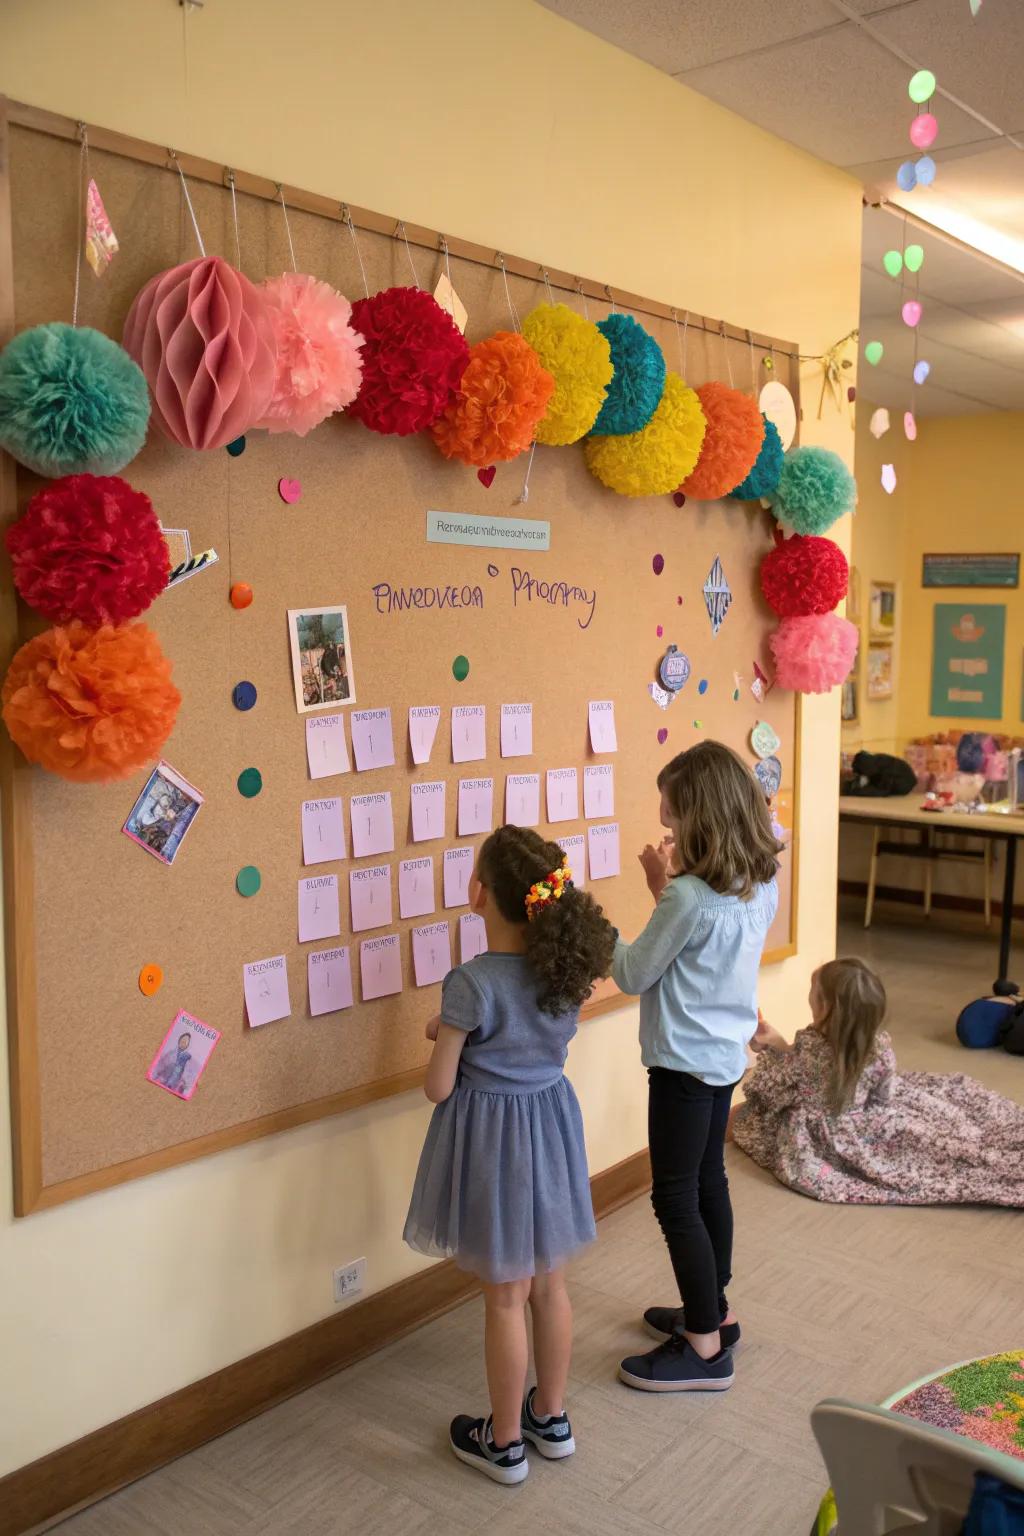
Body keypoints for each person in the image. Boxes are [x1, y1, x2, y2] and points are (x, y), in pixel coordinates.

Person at [403, 826, 616, 1484]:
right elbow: (523, 1036)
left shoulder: (469, 982)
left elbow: (440, 1085)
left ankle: (501, 1443)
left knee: (504, 1297)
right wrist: (456, 1030)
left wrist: (443, 1034)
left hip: (495, 1147)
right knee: (549, 1287)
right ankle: (549, 1417)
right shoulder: (562, 968)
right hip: (550, 1132)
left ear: (479, 894)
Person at [611, 741, 781, 1392]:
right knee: (710, 1179)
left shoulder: (687, 897)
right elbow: (700, 949)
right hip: (724, 1058)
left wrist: (587, 924)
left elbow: (633, 972)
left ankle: (705, 1348)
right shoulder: (757, 881)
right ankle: (716, 1308)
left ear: (701, 819)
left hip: (682, 1067)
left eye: (673, 819)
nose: (667, 829)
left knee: (674, 1197)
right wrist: (662, 886)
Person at [733, 957, 1024, 1206]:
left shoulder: (810, 1050)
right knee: (949, 1144)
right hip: (869, 1121)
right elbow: (883, 1097)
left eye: (813, 991)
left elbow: (774, 1090)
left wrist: (772, 1049)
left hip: (822, 1135)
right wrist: (783, 1046)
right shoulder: (879, 1047)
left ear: (824, 1008)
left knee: (742, 1120)